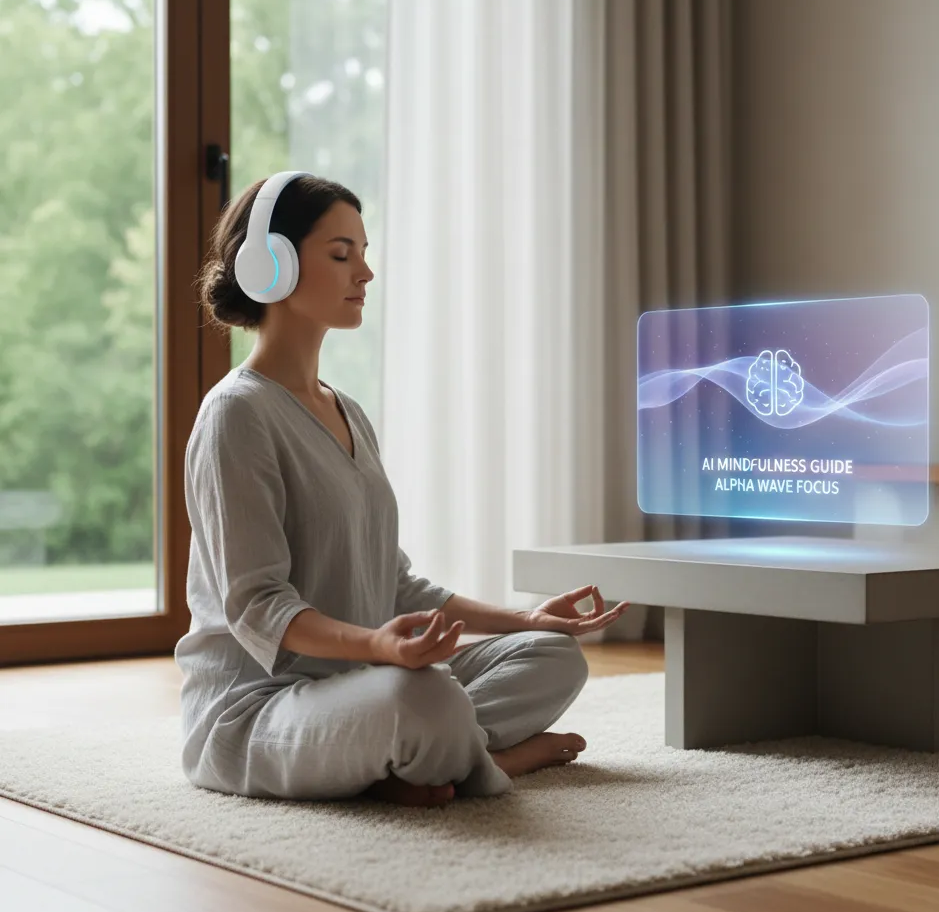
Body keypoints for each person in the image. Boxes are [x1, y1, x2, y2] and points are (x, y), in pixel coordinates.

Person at [174, 173, 629, 808]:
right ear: (270, 264)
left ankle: (420, 760)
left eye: (364, 253)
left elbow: (395, 581)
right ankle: (495, 761)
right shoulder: (236, 415)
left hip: (364, 681)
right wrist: (380, 647)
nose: (365, 273)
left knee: (552, 656)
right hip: (258, 713)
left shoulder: (348, 411)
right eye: (341, 254)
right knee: (424, 697)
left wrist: (522, 618)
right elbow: (258, 607)